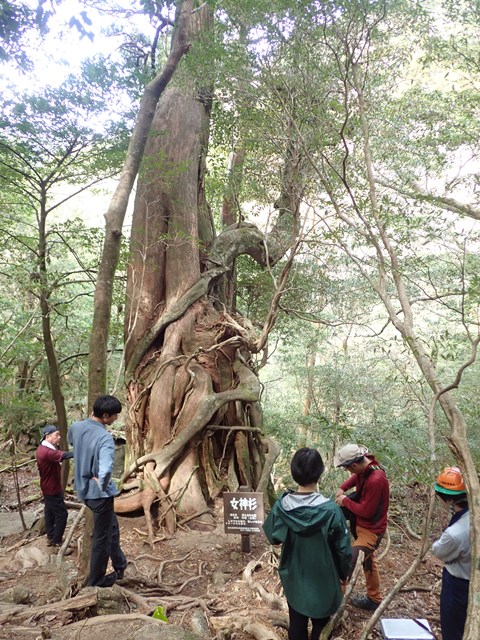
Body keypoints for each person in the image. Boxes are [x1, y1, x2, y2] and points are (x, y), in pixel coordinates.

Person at [263, 448, 352, 640]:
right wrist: (344, 574)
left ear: (294, 473)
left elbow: (273, 537)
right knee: (322, 626)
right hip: (324, 580)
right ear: (319, 473)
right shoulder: (331, 511)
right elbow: (344, 551)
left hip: (295, 577)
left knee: (297, 622)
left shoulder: (282, 506)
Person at [68, 395, 127, 588]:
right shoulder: (104, 438)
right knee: (102, 538)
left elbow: (72, 443)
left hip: (83, 490)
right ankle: (97, 580)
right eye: (114, 416)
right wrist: (102, 484)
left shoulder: (76, 427)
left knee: (112, 527)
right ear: (105, 415)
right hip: (99, 495)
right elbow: (107, 468)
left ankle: (120, 565)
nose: (116, 419)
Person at [334, 443, 389, 611]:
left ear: (355, 464)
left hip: (371, 532)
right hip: (362, 528)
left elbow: (366, 511)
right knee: (368, 562)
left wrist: (345, 500)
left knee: (347, 563)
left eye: (347, 468)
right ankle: (374, 599)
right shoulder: (366, 468)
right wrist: (343, 488)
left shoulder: (377, 479)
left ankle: (334, 606)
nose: (348, 471)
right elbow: (355, 478)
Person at [432, 466, 470, 640]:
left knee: (453, 628)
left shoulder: (455, 534)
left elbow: (439, 551)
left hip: (458, 584)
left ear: (446, 499)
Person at [35, 425, 74, 551]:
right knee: (62, 514)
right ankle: (56, 542)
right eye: (56, 435)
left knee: (49, 512)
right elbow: (64, 455)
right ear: (48, 436)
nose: (59, 437)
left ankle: (51, 536)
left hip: (48, 487)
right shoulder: (47, 452)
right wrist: (81, 451)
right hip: (51, 488)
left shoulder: (42, 448)